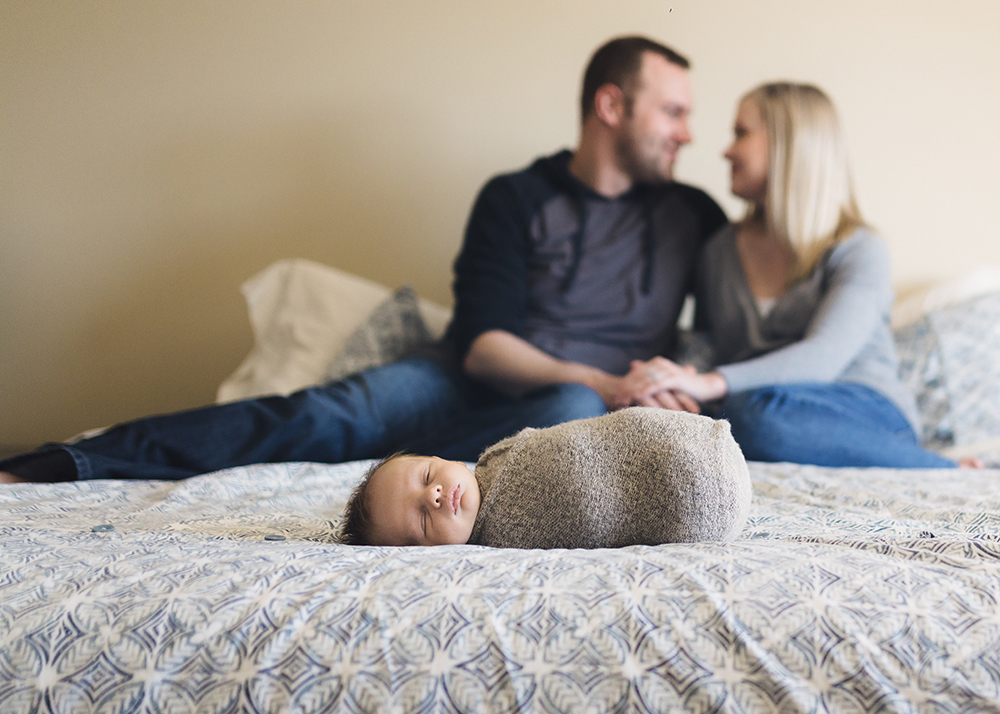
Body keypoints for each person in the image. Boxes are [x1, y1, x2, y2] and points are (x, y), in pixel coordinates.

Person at [0, 36, 725, 485]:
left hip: (580, 406)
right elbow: (482, 349)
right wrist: (605, 379)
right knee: (328, 410)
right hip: (469, 386)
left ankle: (387, 466)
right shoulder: (517, 197)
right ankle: (63, 463)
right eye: (673, 112)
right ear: (610, 105)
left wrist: (670, 386)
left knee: (571, 409)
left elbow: (754, 310)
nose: (688, 134)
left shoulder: (694, 217)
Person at [617, 82, 971, 469]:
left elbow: (823, 355)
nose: (726, 150)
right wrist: (665, 383)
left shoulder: (859, 249)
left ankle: (938, 467)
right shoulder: (718, 251)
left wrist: (709, 384)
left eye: (741, 133)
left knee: (752, 416)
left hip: (861, 412)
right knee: (695, 419)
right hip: (754, 404)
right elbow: (707, 344)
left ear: (788, 144)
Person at [339, 407, 751, 549]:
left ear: (440, 456)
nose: (435, 495)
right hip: (693, 505)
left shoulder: (494, 459)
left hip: (694, 440)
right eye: (424, 521)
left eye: (428, 475)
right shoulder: (496, 546)